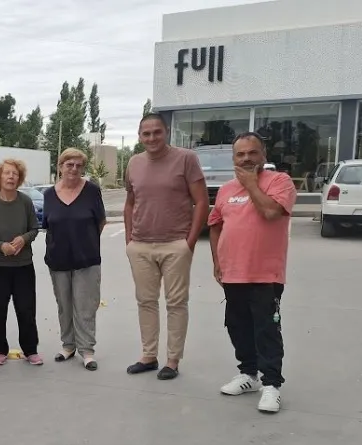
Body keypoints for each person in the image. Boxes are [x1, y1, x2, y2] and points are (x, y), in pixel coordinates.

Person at [208, 132, 296, 413]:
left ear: (263, 155)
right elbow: (215, 225)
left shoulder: (280, 182)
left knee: (266, 329)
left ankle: (271, 385)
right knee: (238, 326)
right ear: (233, 158)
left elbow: (271, 212)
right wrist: (217, 261)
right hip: (233, 273)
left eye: (252, 153)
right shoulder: (225, 190)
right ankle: (248, 374)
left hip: (265, 274)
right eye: (240, 154)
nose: (246, 158)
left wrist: (250, 185)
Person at [123, 113, 209, 380]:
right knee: (145, 302)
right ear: (140, 136)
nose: (152, 138)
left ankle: (172, 360)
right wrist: (129, 240)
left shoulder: (186, 159)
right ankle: (149, 356)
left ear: (167, 132)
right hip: (141, 246)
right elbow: (130, 202)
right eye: (146, 133)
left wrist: (189, 243)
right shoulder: (134, 163)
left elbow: (201, 201)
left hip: (175, 244)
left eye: (157, 132)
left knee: (176, 303)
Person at [42, 148, 106, 370]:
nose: (74, 169)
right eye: (69, 164)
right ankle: (68, 345)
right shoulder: (49, 194)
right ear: (60, 167)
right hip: (58, 259)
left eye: (79, 165)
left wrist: (85, 241)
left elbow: (100, 222)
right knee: (65, 306)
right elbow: (48, 225)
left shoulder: (92, 191)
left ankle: (87, 350)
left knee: (85, 306)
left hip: (86, 259)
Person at [0, 158, 42, 366]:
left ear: (19, 178)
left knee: (26, 309)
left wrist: (24, 239)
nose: (11, 177)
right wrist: (0, 246)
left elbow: (35, 229)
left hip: (23, 266)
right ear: (0, 177)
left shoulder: (25, 202)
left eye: (15, 173)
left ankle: (30, 350)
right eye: (7, 173)